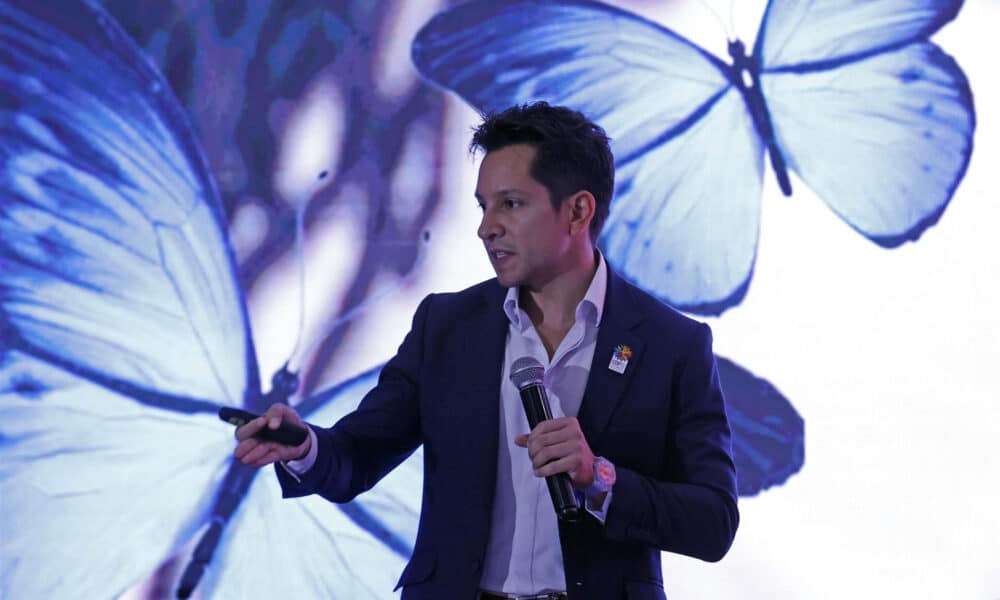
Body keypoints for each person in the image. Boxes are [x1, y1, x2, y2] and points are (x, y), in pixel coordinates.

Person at [234, 101, 739, 600]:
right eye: (483, 206)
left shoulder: (672, 344)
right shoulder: (448, 327)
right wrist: (305, 447)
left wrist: (599, 479)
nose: (486, 227)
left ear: (578, 211)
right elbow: (356, 457)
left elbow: (713, 522)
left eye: (511, 204)